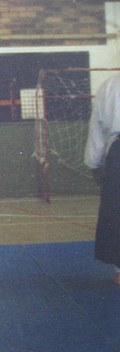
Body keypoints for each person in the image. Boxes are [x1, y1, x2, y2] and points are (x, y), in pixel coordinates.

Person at [84, 73, 120, 285]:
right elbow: (96, 127)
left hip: (117, 152)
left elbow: (96, 128)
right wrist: (94, 163)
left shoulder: (110, 85)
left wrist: (94, 164)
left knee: (117, 210)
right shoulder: (110, 85)